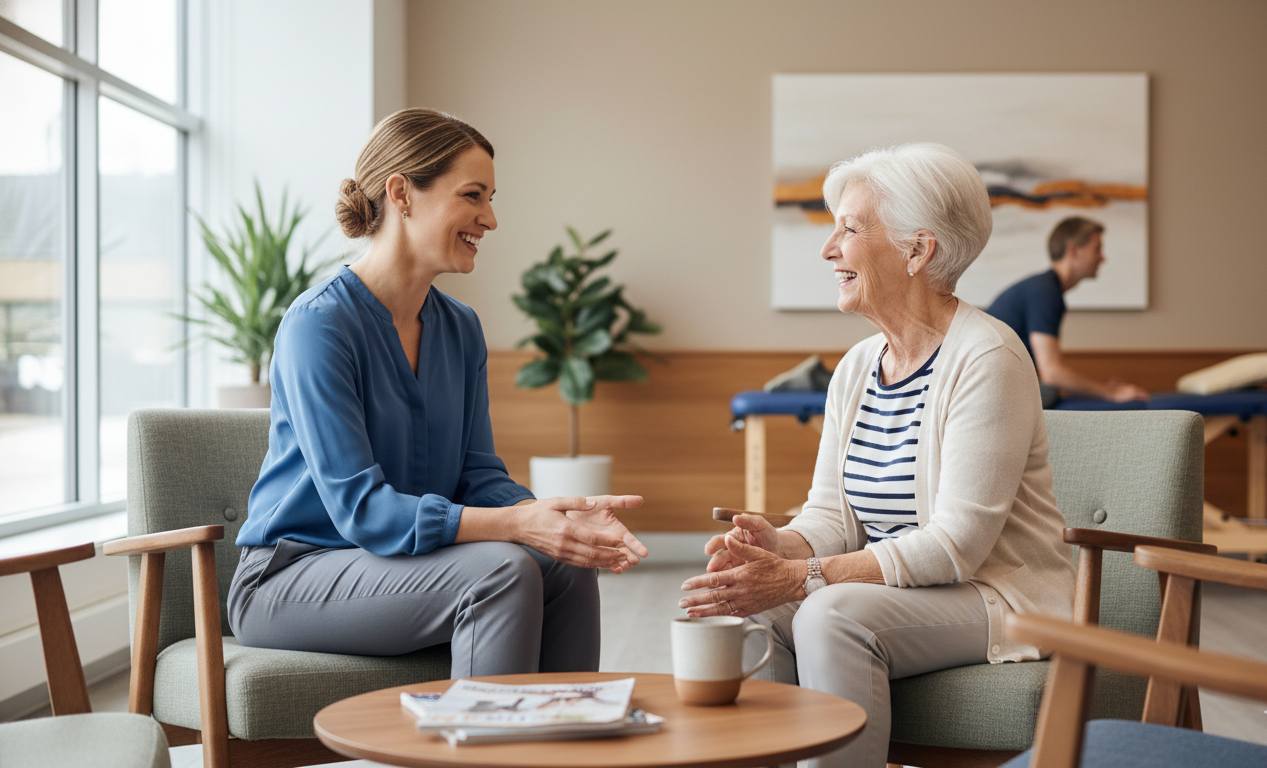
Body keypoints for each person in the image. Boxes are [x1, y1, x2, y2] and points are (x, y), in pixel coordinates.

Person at [679, 144, 1075, 768]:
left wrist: (809, 577)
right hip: (901, 592)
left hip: (994, 596)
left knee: (830, 614)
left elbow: (955, 547)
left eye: (850, 228)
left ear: (919, 251)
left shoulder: (987, 359)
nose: (828, 247)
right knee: (743, 605)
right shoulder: (858, 368)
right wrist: (779, 547)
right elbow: (831, 517)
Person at [227, 108, 648, 678]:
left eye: (492, 198)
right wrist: (515, 526)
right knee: (501, 569)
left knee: (566, 564)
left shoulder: (460, 328)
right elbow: (363, 511)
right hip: (293, 578)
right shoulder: (318, 326)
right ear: (402, 193)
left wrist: (553, 518)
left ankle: (560, 744)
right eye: (473, 195)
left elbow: (480, 476)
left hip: (399, 562)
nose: (491, 219)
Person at [987, 216, 1149, 406]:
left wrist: (1095, 387)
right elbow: (1052, 373)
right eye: (1097, 249)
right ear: (1073, 250)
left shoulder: (1044, 288)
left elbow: (1045, 370)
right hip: (987, 390)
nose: (1102, 257)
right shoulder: (1045, 293)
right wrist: (1110, 393)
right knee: (1051, 391)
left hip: (993, 384)